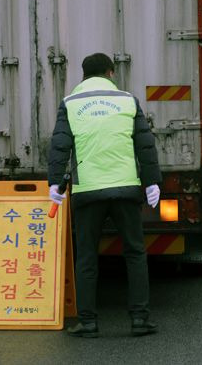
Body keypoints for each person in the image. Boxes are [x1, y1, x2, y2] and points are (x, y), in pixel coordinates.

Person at [47, 53, 162, 338]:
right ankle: (139, 320)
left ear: (83, 76)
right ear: (111, 73)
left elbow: (60, 145)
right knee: (135, 253)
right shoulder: (127, 100)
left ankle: (88, 323)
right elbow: (145, 145)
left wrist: (53, 183)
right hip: (125, 189)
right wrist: (151, 182)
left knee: (86, 257)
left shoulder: (70, 104)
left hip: (87, 192)